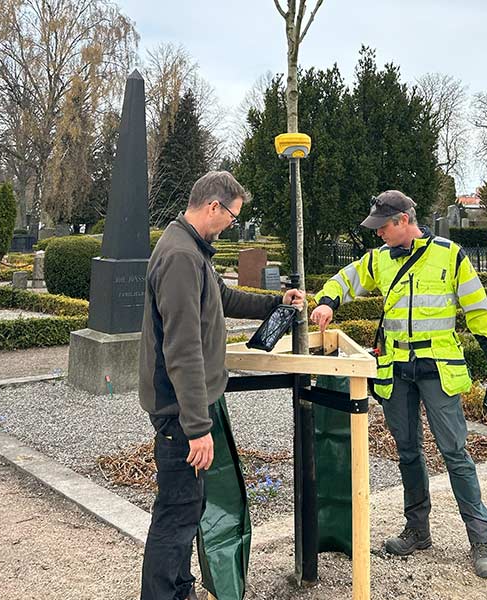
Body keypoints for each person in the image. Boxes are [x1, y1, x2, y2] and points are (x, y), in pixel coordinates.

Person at [310, 190, 487, 579]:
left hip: (438, 366)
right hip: (396, 368)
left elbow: (477, 309)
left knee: (455, 453)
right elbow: (347, 278)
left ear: (403, 221)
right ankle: (417, 530)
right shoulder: (379, 259)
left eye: (383, 227)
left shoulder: (451, 255)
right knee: (408, 452)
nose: (378, 234)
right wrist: (327, 301)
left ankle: (480, 538)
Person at [138, 170, 305, 600]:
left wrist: (274, 302)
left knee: (188, 508)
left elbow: (223, 299)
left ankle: (180, 587)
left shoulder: (193, 250)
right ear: (213, 206)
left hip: (186, 407)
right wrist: (197, 427)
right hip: (179, 411)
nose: (233, 223)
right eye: (232, 215)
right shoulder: (180, 257)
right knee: (176, 513)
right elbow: (183, 348)